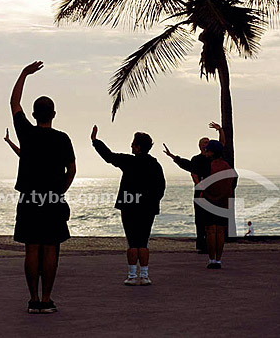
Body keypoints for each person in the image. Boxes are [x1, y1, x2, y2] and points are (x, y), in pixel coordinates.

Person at [10, 61, 76, 314]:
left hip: (28, 199)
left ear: (34, 115)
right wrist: (60, 191)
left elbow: (14, 103)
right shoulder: (62, 138)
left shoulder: (26, 133)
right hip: (52, 199)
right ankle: (47, 299)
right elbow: (72, 170)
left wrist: (23, 74)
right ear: (54, 114)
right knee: (50, 249)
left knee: (31, 248)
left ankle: (33, 299)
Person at [91, 125, 166, 286]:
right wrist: (152, 202)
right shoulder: (155, 164)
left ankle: (132, 275)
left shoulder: (129, 161)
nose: (131, 146)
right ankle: (144, 275)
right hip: (147, 208)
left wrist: (95, 141)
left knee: (132, 241)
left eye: (133, 144)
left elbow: (109, 156)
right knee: (143, 241)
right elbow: (161, 187)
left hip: (129, 205)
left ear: (138, 147)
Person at [163, 122, 225, 253]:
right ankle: (202, 245)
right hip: (201, 192)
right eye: (204, 141)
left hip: (213, 192)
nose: (207, 142)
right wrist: (172, 156)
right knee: (200, 220)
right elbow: (190, 169)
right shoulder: (197, 159)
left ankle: (212, 245)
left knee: (214, 221)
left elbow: (221, 146)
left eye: (208, 141)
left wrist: (220, 131)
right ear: (200, 146)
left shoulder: (214, 158)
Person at [197, 140, 237, 269]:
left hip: (209, 201)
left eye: (207, 150)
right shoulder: (227, 166)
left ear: (212, 152)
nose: (206, 152)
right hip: (224, 202)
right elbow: (233, 181)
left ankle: (211, 259)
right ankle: (218, 260)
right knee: (220, 231)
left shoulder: (209, 165)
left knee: (210, 231)